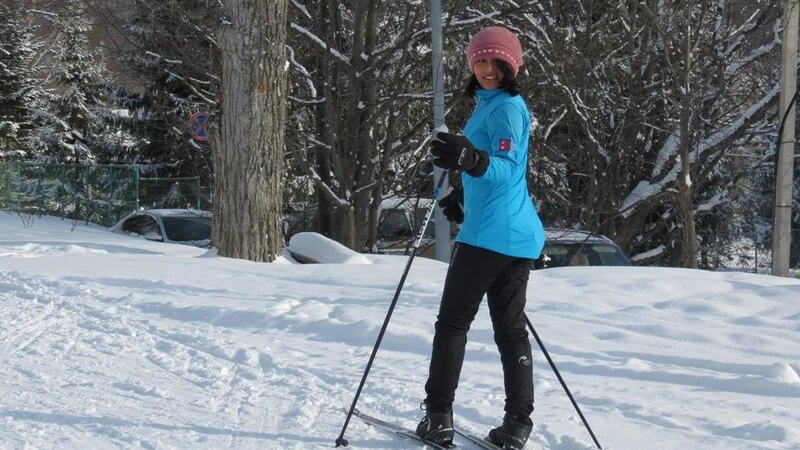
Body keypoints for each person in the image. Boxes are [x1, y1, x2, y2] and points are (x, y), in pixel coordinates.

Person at [415, 26, 545, 450]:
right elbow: (496, 177)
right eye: (481, 61)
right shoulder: (491, 106)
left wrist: (471, 159)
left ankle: (438, 418)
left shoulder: (507, 108)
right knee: (510, 331)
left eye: (497, 62)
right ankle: (517, 425)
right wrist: (462, 197)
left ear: (512, 66)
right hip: (514, 234)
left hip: (491, 237)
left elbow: (506, 167)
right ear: (472, 64)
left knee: (452, 323)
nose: (488, 69)